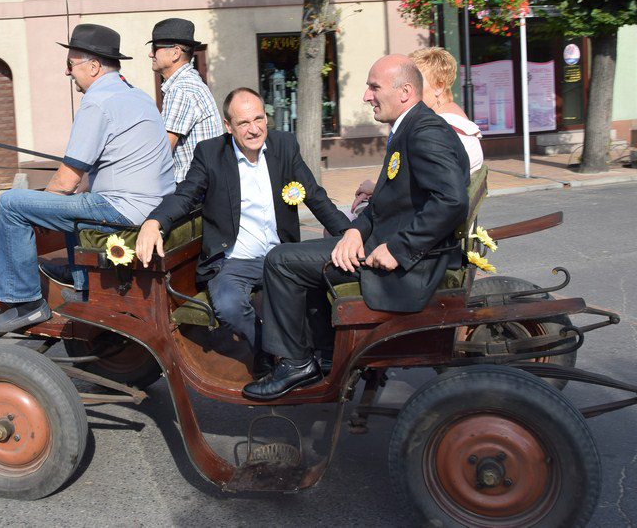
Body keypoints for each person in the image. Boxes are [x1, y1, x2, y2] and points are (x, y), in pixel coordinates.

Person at [243, 55, 470, 400]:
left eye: (374, 87)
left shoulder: (424, 132)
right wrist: (353, 231)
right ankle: (324, 353)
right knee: (307, 254)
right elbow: (386, 203)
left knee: (280, 261)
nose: (367, 96)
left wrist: (399, 248)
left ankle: (295, 363)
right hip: (383, 243)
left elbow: (451, 201)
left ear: (405, 91)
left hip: (410, 266)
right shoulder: (410, 127)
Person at [136, 88, 351, 374]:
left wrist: (350, 234)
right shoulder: (211, 154)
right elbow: (185, 195)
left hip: (282, 257)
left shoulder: (284, 145)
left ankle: (322, 356)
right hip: (234, 260)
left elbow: (315, 196)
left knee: (321, 288)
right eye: (244, 123)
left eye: (259, 119)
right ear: (228, 126)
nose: (254, 129)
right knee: (227, 304)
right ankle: (265, 347)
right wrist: (155, 221)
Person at [0, 23, 175, 333]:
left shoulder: (98, 101)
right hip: (155, 206)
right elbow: (89, 175)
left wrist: (37, 208)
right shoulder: (137, 95)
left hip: (124, 211)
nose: (67, 73)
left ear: (94, 66)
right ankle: (84, 286)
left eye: (70, 64)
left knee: (11, 203)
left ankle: (26, 302)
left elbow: (66, 181)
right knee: (77, 203)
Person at [351, 47, 483, 213]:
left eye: (418, 81)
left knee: (342, 225)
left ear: (439, 87)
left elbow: (439, 196)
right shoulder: (450, 122)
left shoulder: (436, 132)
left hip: (417, 225)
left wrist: (377, 189)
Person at [148, 18, 223, 181]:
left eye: (155, 48)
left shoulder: (181, 89)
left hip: (191, 193)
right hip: (202, 187)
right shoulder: (190, 83)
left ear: (175, 53)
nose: (150, 54)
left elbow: (162, 151)